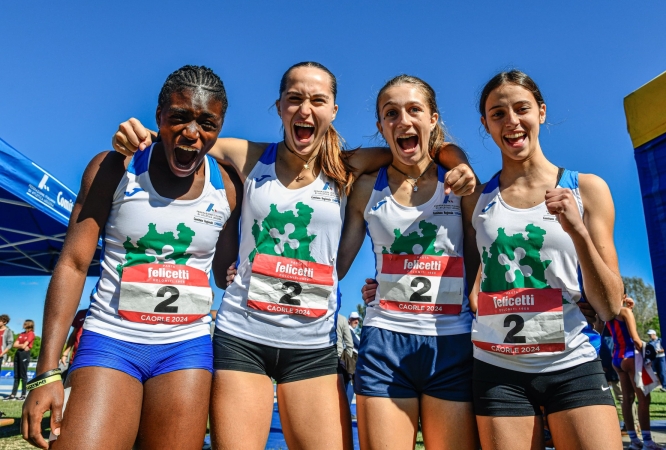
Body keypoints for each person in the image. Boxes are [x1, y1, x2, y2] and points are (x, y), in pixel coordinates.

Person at [114, 61, 476, 450]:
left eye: (318, 100)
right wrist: (141, 134)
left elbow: (424, 146)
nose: (305, 110)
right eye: (295, 99)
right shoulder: (252, 156)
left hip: (312, 346)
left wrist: (459, 162)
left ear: (333, 111)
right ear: (280, 106)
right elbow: (189, 136)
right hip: (243, 336)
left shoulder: (346, 166)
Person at [22, 65, 242, 450]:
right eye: (179, 118)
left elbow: (224, 276)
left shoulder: (227, 186)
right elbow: (73, 264)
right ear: (159, 117)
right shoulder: (114, 168)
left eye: (208, 123)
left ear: (220, 127)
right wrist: (46, 372)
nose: (192, 133)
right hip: (111, 339)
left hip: (185, 347)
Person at [462, 70, 625, 450]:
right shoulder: (477, 199)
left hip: (572, 363)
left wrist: (578, 233)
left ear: (542, 112)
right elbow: (473, 283)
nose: (512, 122)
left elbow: (611, 303)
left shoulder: (586, 188)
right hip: (497, 369)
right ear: (485, 124)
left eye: (522, 109)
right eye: (497, 113)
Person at [338, 75, 478, 450]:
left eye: (414, 110)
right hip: (384, 341)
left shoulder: (460, 181)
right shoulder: (366, 187)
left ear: (433, 118)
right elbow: (335, 265)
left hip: (452, 342)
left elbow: (482, 258)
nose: (403, 120)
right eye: (391, 113)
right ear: (381, 126)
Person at [607, 293, 663, 449]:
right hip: (631, 356)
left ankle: (634, 440)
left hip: (617, 357)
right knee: (644, 398)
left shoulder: (605, 314)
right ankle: (648, 442)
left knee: (627, 398)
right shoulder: (624, 311)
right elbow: (636, 340)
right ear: (623, 294)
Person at [8, 320, 35, 401]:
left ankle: (23, 394)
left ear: (29, 325)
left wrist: (20, 345)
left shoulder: (31, 334)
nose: (23, 325)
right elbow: (14, 345)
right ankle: (13, 394)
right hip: (18, 354)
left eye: (25, 324)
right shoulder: (22, 334)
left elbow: (24, 346)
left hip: (24, 354)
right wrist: (21, 345)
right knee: (16, 376)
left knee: (23, 375)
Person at [336, 314, 355, 394]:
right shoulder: (341, 319)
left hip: (320, 358)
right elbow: (350, 344)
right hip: (338, 359)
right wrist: (347, 360)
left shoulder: (319, 316)